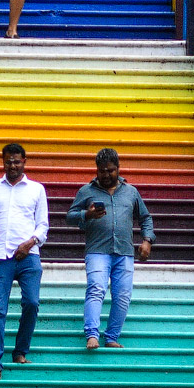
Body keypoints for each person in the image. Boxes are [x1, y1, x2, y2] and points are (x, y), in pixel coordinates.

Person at [67, 147, 155, 350]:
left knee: (123, 295)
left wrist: (147, 240)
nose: (106, 175)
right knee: (96, 288)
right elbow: (70, 216)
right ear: (96, 170)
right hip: (97, 250)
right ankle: (92, 334)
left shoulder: (131, 192)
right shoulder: (86, 191)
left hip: (124, 252)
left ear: (118, 168)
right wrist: (86, 215)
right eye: (102, 171)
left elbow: (145, 218)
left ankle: (112, 337)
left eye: (111, 170)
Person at [0, 143, 47, 380]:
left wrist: (30, 243)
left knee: (32, 303)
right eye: (8, 162)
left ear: (25, 162)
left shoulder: (37, 189)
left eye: (17, 161)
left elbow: (43, 225)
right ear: (2, 162)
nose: (12, 165)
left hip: (29, 256)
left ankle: (20, 351)